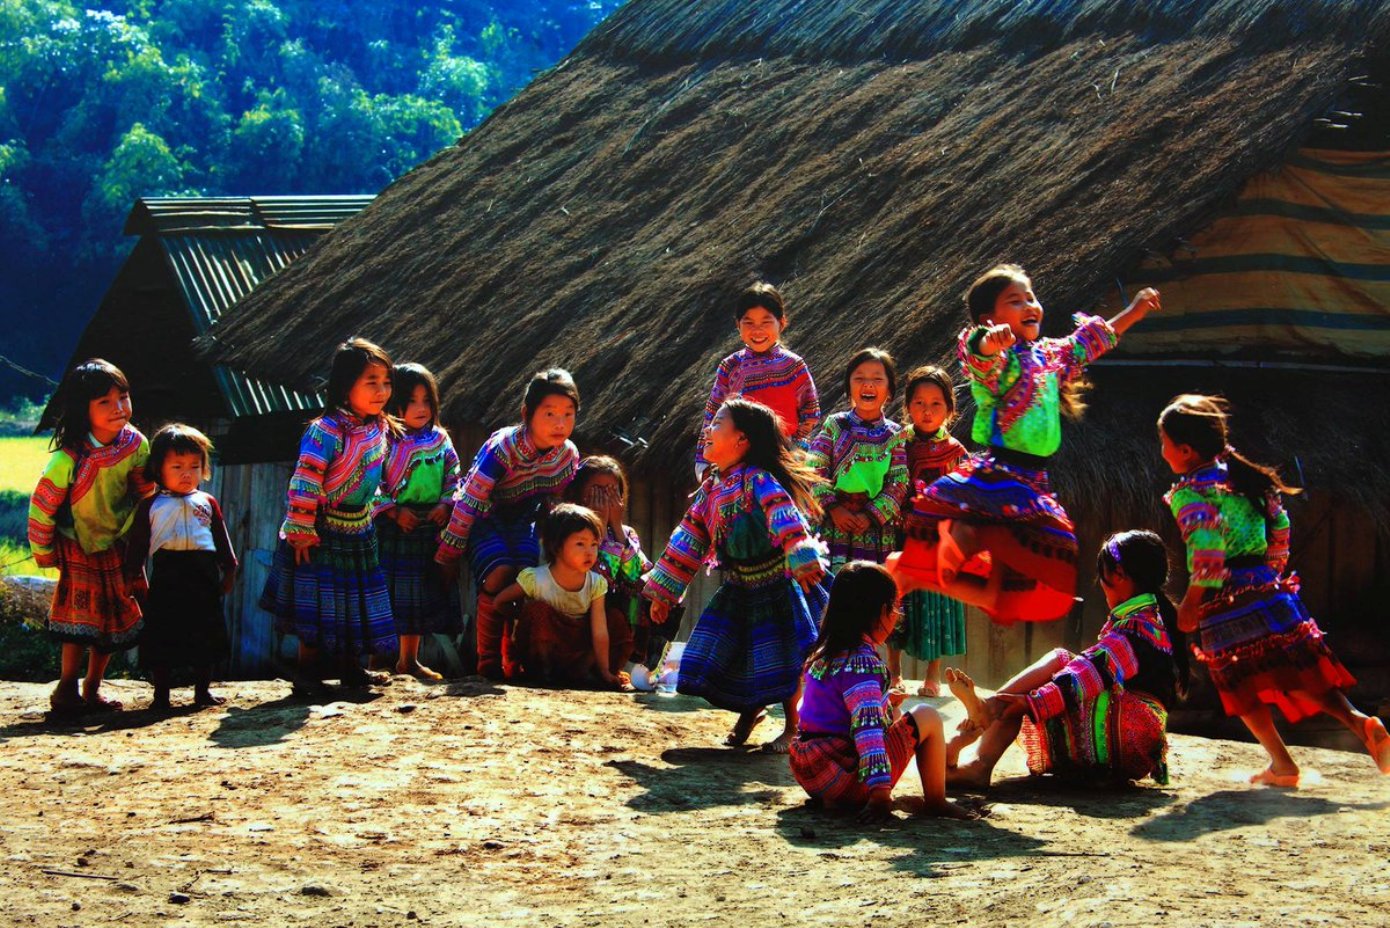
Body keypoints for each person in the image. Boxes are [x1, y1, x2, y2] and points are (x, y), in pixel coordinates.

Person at [890, 264, 1160, 623]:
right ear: (990, 318)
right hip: (1000, 474)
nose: (1029, 305)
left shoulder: (1050, 356)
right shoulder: (1000, 363)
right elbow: (977, 353)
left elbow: (1089, 342)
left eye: (1031, 298)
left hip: (1036, 483)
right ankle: (950, 546)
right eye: (1015, 301)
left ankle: (911, 573)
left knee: (1016, 584)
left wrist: (1135, 311)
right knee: (987, 542)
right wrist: (990, 340)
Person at [1159, 394, 1389, 785]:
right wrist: (1271, 576)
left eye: (1163, 444)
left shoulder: (1190, 493)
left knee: (1238, 682)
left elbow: (1209, 553)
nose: (1162, 453)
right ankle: (1358, 720)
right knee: (1301, 670)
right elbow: (1279, 527)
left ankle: (1282, 763)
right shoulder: (1245, 480)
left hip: (1225, 602)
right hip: (1271, 591)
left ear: (1185, 450)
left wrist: (1190, 604)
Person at [645, 397, 828, 753]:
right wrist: (663, 593)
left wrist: (801, 556)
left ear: (741, 440)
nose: (708, 431)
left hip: (777, 584)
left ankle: (793, 726)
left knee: (783, 655)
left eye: (717, 425)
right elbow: (688, 539)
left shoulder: (758, 479)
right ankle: (751, 711)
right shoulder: (712, 488)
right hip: (739, 587)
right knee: (741, 653)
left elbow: (783, 514)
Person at [946, 530, 1184, 788]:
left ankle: (984, 736)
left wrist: (1030, 703)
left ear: (1119, 575)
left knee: (1060, 663)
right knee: (1052, 675)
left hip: (1130, 735)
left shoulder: (1135, 628)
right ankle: (988, 713)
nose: (1101, 583)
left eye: (1103, 574)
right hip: (1137, 737)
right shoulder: (1150, 618)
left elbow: (1087, 673)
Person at [260, 337, 399, 696]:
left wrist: (378, 508)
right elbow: (305, 480)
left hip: (359, 527)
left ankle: (351, 669)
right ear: (344, 385)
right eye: (372, 382)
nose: (382, 390)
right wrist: (302, 530)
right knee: (318, 600)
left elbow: (374, 479)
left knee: (353, 601)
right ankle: (306, 672)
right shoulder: (326, 431)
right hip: (321, 530)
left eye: (386, 382)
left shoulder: (377, 428)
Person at [790, 561, 974, 820]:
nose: (897, 615)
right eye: (894, 607)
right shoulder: (862, 663)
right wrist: (879, 794)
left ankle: (837, 798)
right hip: (844, 776)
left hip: (812, 773)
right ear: (879, 612)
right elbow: (868, 731)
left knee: (896, 714)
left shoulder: (824, 654)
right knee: (927, 716)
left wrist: (886, 703)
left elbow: (831, 714)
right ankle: (936, 801)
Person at [436, 369, 580, 679]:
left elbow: (554, 502)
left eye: (568, 414)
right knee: (498, 573)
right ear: (527, 413)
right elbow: (470, 500)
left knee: (523, 581)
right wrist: (448, 554)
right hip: (485, 517)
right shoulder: (503, 448)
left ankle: (511, 660)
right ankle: (487, 662)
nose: (560, 423)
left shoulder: (567, 456)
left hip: (523, 521)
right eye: (550, 413)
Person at [28, 359, 154, 713]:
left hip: (115, 541)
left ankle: (92, 689)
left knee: (113, 616)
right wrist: (44, 551)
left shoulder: (135, 445)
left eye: (123, 398)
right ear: (84, 409)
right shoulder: (68, 458)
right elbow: (42, 507)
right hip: (77, 544)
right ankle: (65, 688)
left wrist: (138, 547)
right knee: (79, 619)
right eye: (105, 402)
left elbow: (145, 495)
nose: (118, 409)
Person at [124, 424, 236, 710]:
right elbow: (137, 545)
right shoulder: (151, 505)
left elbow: (220, 538)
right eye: (177, 466)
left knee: (206, 632)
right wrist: (135, 577)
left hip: (203, 573)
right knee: (163, 633)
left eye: (194, 466)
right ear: (159, 469)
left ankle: (202, 692)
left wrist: (230, 569)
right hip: (168, 574)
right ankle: (161, 696)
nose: (187, 473)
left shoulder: (207, 502)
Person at [375, 363, 461, 681]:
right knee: (387, 593)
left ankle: (408, 660)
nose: (421, 408)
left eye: (427, 401)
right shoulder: (383, 439)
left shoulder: (440, 440)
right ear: (395, 403)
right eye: (412, 401)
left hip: (428, 527)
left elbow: (454, 474)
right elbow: (372, 481)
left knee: (417, 595)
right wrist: (394, 511)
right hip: (394, 526)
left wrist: (445, 503)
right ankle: (376, 659)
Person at [888, 366, 969, 696]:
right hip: (899, 538)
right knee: (896, 603)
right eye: (919, 402)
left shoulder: (957, 452)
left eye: (936, 403)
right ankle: (894, 672)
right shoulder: (896, 445)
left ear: (950, 408)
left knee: (933, 607)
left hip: (937, 545)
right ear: (907, 406)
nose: (927, 410)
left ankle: (933, 675)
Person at [494, 503, 633, 689]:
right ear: (556, 547)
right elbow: (500, 602)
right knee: (537, 610)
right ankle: (544, 673)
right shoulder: (536, 579)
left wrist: (605, 670)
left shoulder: (596, 583)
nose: (589, 552)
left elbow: (599, 631)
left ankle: (587, 672)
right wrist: (522, 616)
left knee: (615, 619)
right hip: (547, 651)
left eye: (594, 545)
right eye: (580, 544)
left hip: (578, 648)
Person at [695, 282, 819, 479]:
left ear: (782, 323)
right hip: (737, 460)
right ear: (738, 325)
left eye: (766, 322)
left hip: (784, 461)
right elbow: (712, 415)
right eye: (749, 322)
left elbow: (810, 413)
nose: (757, 330)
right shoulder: (730, 366)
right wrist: (705, 465)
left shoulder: (793, 366)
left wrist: (796, 454)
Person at [565, 455, 656, 666]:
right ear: (580, 494)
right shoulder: (568, 527)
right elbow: (598, 576)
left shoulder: (626, 534)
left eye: (612, 491)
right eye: (597, 490)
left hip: (613, 613)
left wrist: (615, 528)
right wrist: (598, 528)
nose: (605, 498)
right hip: (579, 608)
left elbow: (634, 574)